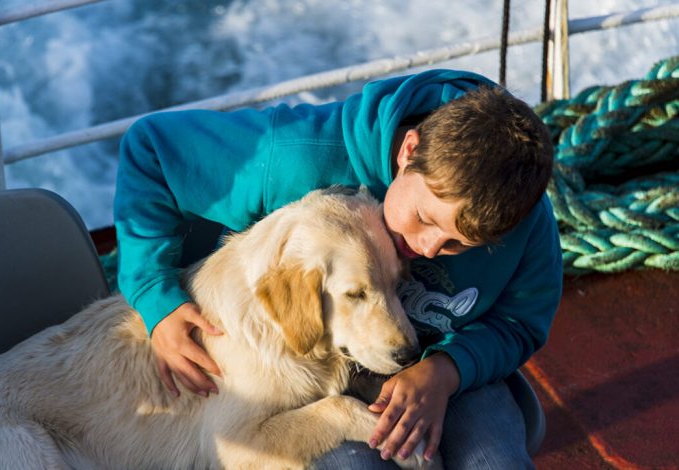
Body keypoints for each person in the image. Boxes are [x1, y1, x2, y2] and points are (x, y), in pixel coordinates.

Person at [114, 69, 562, 469]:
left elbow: (518, 323)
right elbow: (151, 148)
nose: (426, 247)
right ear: (410, 150)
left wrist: (446, 370)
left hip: (453, 364)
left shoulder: (520, 219)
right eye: (424, 218)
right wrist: (155, 294)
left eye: (459, 244)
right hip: (308, 368)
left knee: (493, 461)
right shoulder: (297, 155)